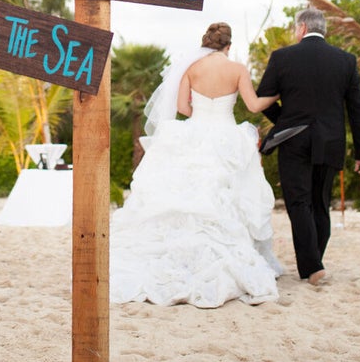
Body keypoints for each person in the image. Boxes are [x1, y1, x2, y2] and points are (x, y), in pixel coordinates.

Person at [109, 22, 283, 308]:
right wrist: (276, 95)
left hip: (195, 132)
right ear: (229, 45)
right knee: (230, 196)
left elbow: (182, 109)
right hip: (227, 135)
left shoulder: (191, 68)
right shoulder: (237, 69)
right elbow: (253, 106)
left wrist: (200, 113)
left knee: (184, 195)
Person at [256, 8, 360, 286]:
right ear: (323, 29)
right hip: (331, 141)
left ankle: (312, 266)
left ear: (302, 29)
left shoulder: (282, 57)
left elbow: (263, 98)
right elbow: (358, 111)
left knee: (298, 202)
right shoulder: (346, 61)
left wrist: (285, 120)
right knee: (321, 204)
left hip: (293, 140)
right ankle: (314, 262)